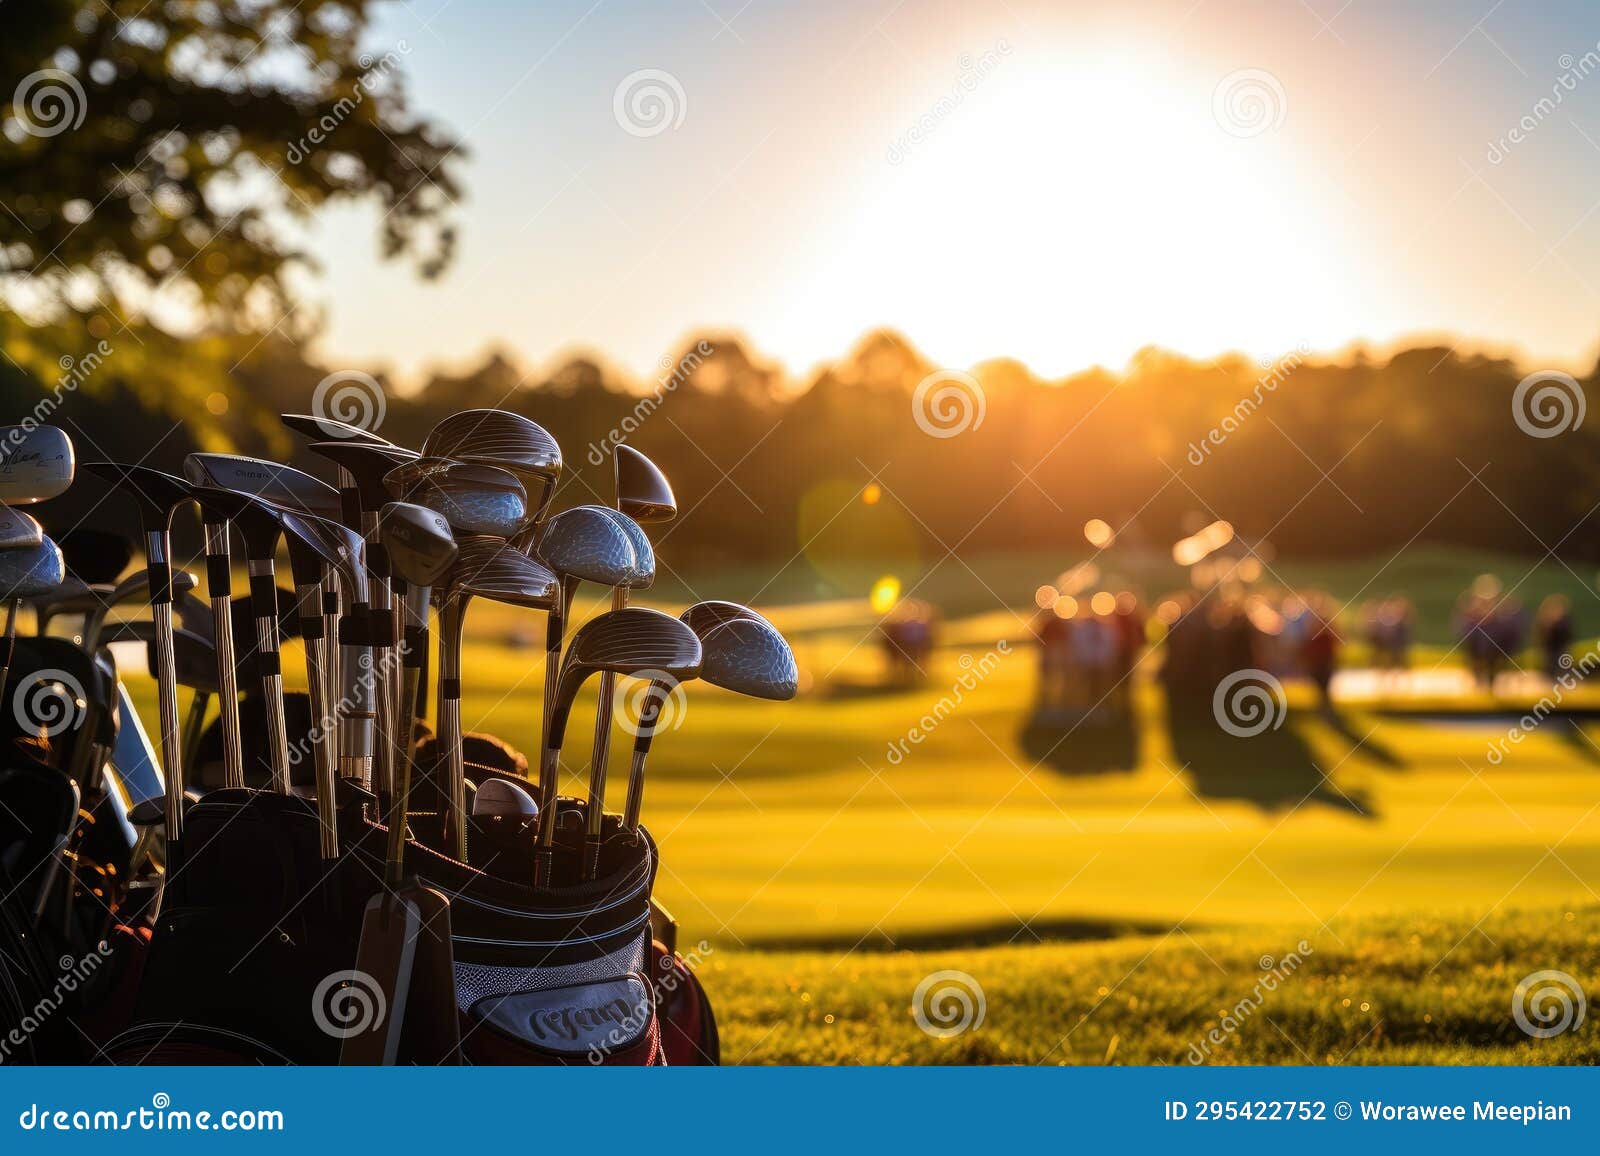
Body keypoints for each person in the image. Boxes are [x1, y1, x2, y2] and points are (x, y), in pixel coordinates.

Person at [1536, 594, 1575, 680]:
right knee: (1551, 665)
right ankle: (1552, 679)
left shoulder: (1564, 621)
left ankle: (1563, 680)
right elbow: (1542, 636)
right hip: (1551, 650)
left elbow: (1568, 634)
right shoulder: (1546, 621)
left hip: (1562, 649)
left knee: (1562, 666)